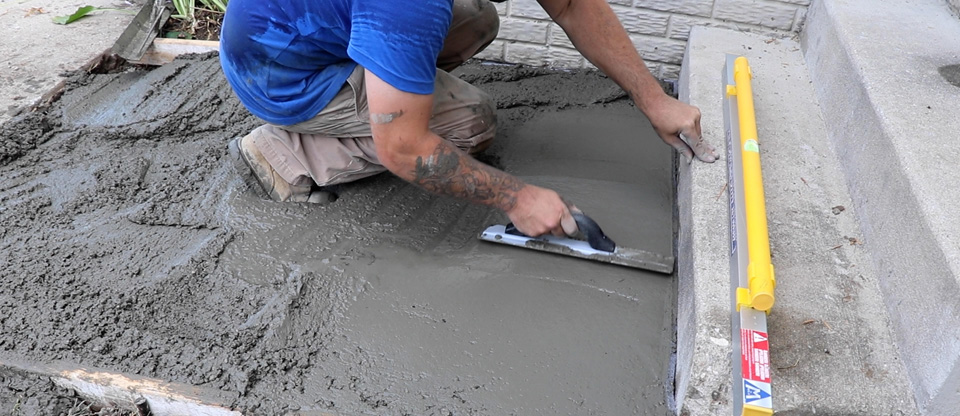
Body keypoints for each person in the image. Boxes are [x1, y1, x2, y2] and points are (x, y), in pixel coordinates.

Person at [220, 0, 717, 238]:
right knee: (471, 125)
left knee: (479, 19)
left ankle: (397, 76)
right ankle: (285, 152)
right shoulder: (407, 5)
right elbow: (405, 147)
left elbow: (569, 6)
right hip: (284, 75)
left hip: (315, 28)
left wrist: (655, 100)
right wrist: (516, 198)